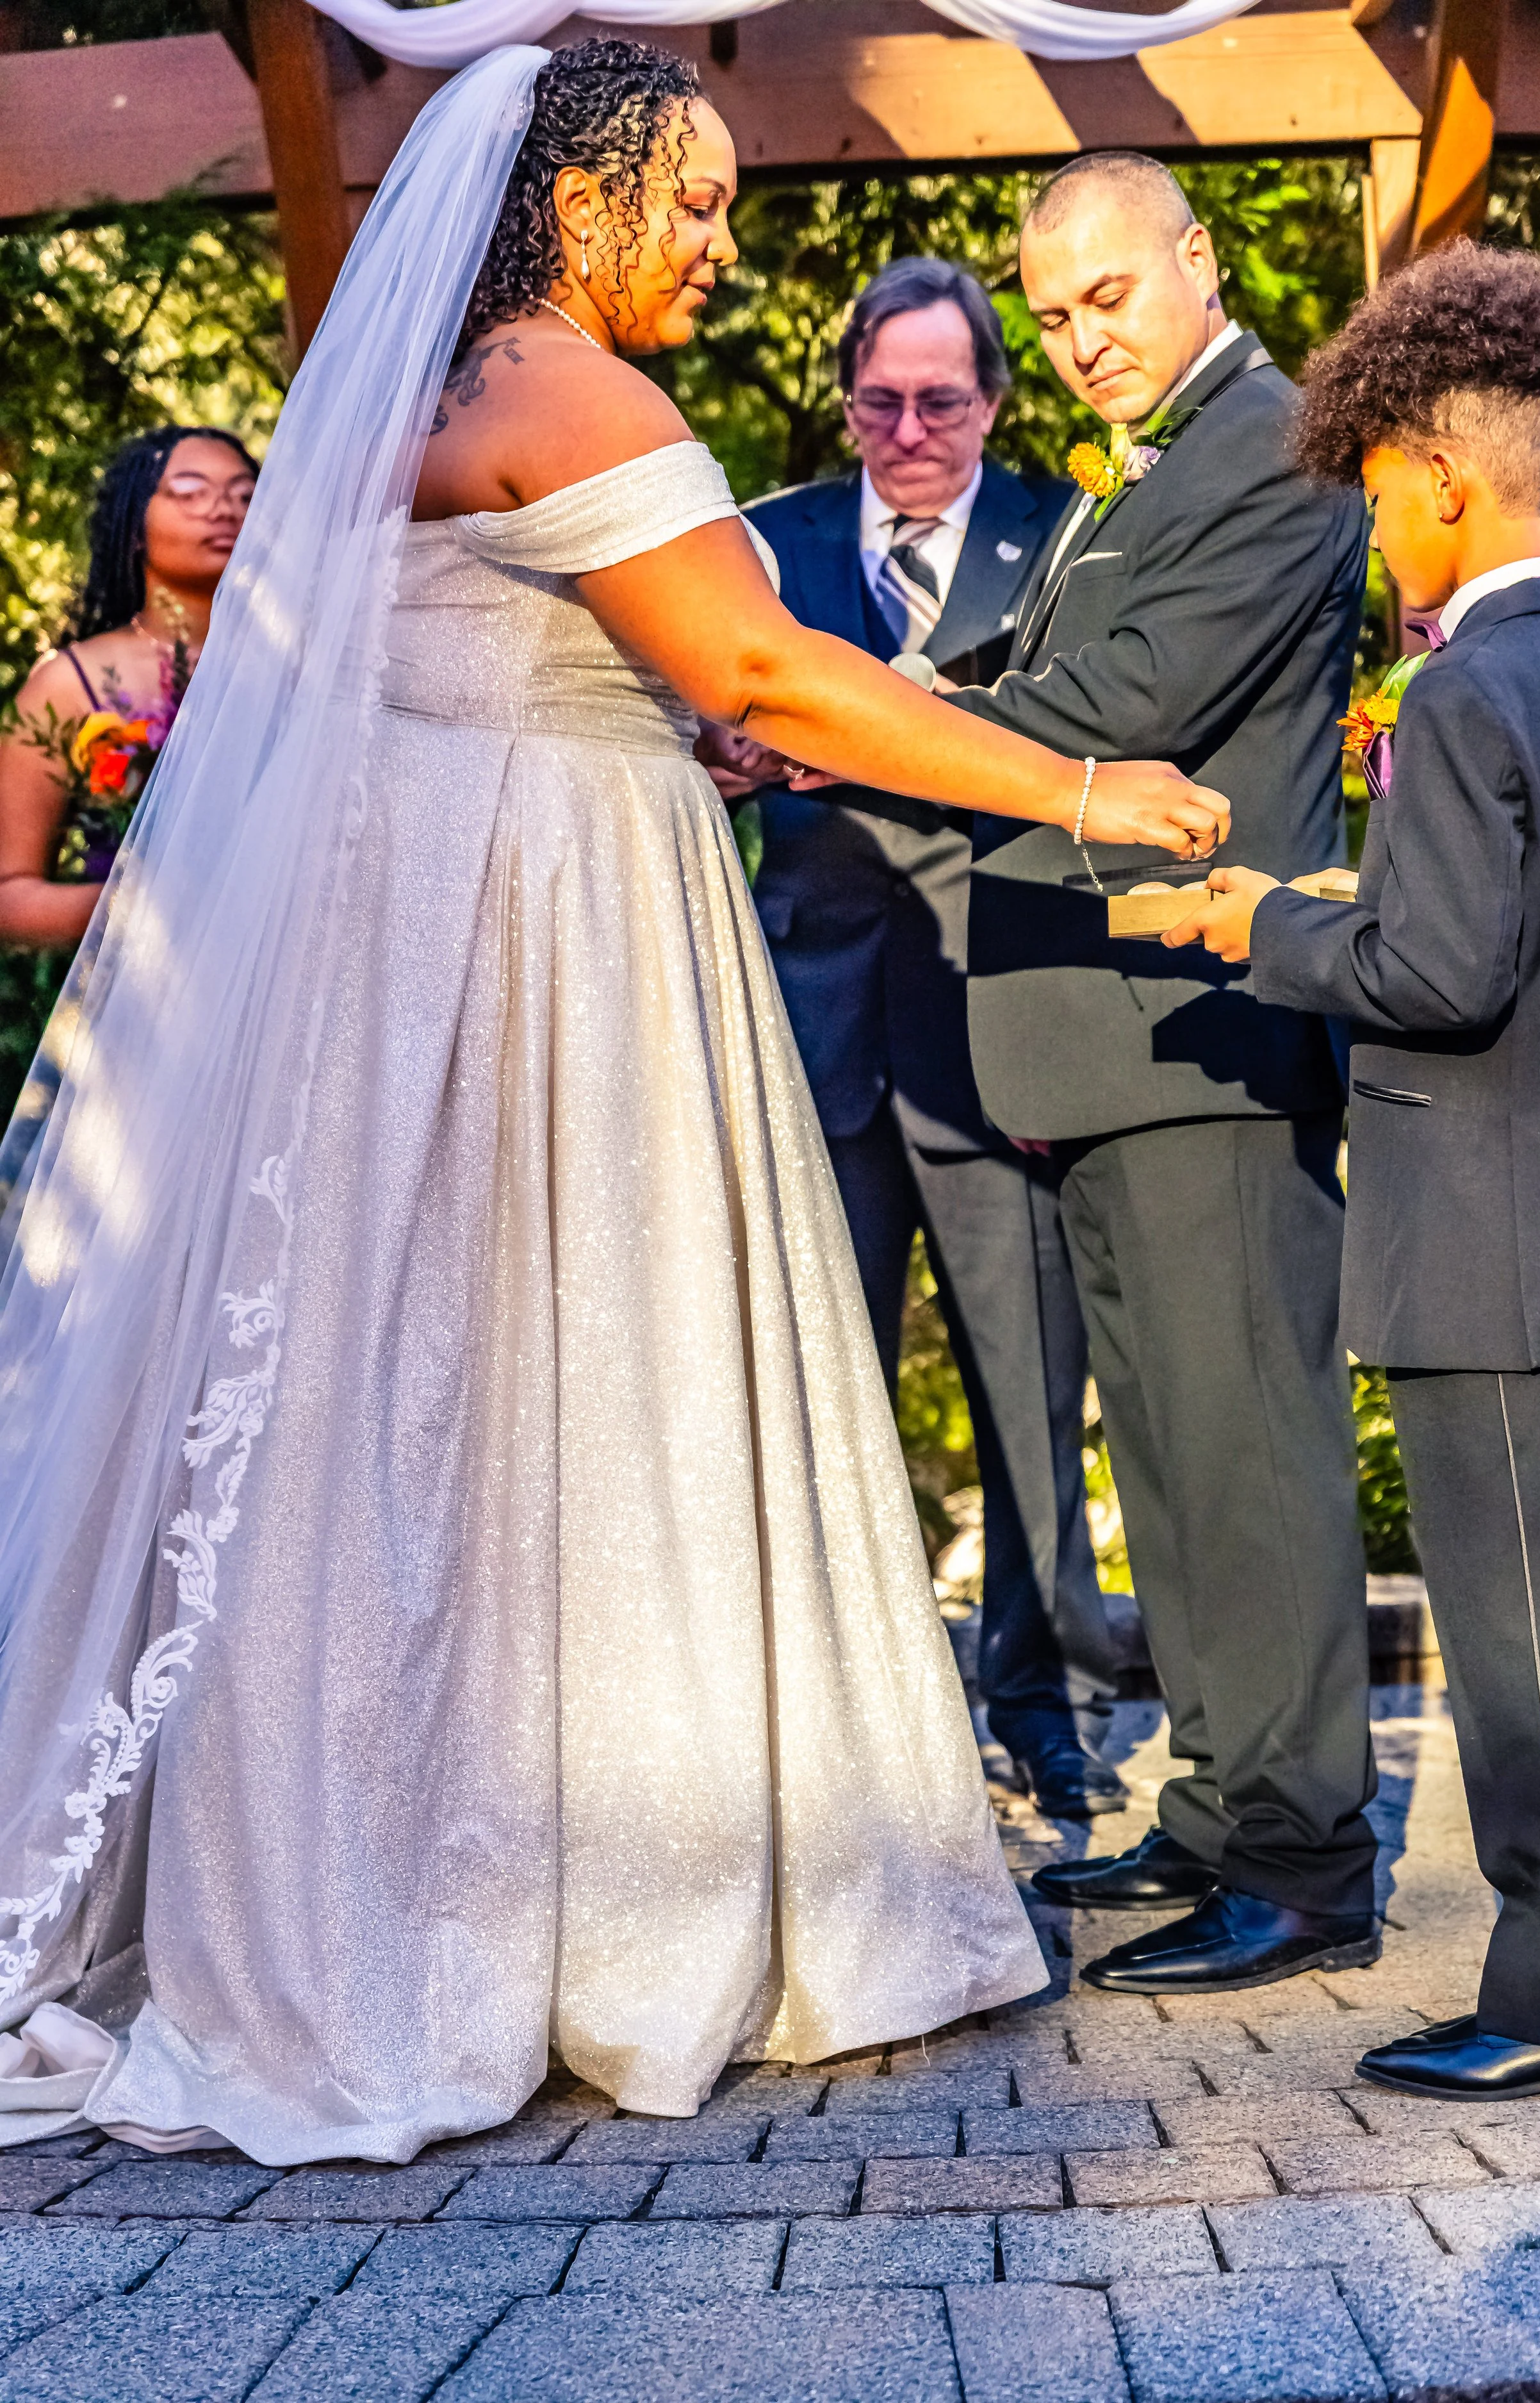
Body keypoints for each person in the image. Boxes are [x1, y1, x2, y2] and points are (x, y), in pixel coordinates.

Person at [0, 43, 1226, 2160]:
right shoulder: (574, 387)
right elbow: (761, 664)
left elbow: (533, 666)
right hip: (549, 965)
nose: (720, 244)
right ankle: (582, 1923)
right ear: (576, 201)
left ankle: (396, 1892)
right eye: (695, 198)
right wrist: (1081, 787)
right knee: (577, 1406)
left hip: (438, 967)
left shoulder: (424, 395)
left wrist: (676, 723)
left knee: (420, 1435)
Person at [1168, 243, 1540, 2097]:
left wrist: (1267, 920)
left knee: (1525, 1667)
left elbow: (1437, 974)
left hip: (1489, 1264)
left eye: (1368, 488)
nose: (1369, 528)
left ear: (1432, 468)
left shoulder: (1452, 701)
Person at [946, 151, 1380, 1994]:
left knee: (1248, 1459)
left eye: (1103, 298)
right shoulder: (1158, 459)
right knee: (1177, 1469)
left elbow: (1119, 698)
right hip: (1112, 1043)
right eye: (1046, 319)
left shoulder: (1278, 443)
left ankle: (1300, 1855)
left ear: (1194, 263)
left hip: (1203, 1032)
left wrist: (855, 717)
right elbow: (1049, 657)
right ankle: (1215, 1810)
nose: (1074, 343)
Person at [730, 259, 1127, 1822]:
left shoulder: (1066, 539)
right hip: (814, 1031)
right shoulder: (765, 543)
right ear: (847, 402)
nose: (907, 427)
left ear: (993, 401)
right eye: (879, 400)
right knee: (818, 1397)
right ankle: (855, 1739)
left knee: (1032, 1391)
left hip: (1000, 1032)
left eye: (940, 399)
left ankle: (1044, 1707)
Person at [0, 429, 256, 1219]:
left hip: (294, 988)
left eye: (245, 493)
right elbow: (10, 893)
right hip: (141, 1021)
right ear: (131, 520)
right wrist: (127, 903)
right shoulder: (69, 683)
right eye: (188, 490)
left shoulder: (315, 660)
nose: (222, 508)